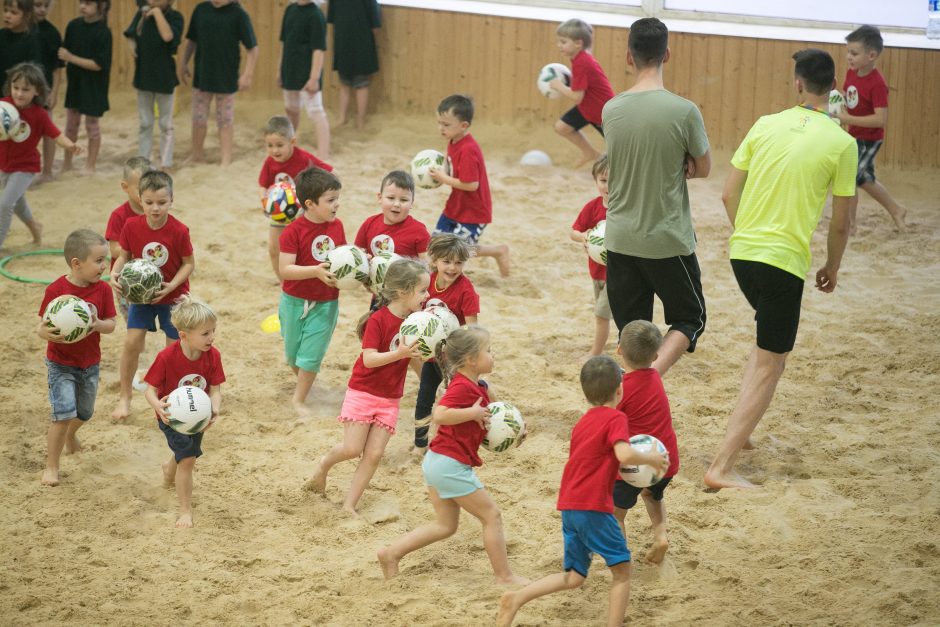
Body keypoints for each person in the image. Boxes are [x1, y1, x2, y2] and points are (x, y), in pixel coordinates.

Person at [704, 49, 856, 490]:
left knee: (769, 350)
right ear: (833, 88)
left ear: (796, 84)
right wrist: (832, 265)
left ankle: (743, 431)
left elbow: (727, 196)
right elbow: (843, 222)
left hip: (742, 255)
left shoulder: (765, 124)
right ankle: (721, 467)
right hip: (783, 263)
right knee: (772, 360)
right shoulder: (843, 143)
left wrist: (748, 235)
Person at [496, 355, 668, 627]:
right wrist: (650, 459)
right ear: (620, 389)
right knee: (622, 571)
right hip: (593, 508)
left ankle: (516, 599)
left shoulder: (583, 423)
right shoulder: (616, 418)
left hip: (569, 506)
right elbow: (623, 454)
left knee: (574, 577)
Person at [378, 325, 528, 585]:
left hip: (438, 462)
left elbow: (494, 421)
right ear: (471, 359)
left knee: (445, 526)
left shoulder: (479, 386)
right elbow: (440, 414)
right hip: (449, 464)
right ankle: (504, 577)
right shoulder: (462, 388)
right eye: (489, 351)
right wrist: (471, 414)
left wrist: (515, 433)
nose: (493, 355)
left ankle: (390, 553)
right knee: (491, 516)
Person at [602, 17, 711, 376]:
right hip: (666, 239)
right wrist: (684, 163)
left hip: (619, 237)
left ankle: (633, 382)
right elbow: (704, 167)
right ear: (667, 54)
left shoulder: (611, 109)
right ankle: (647, 380)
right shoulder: (684, 111)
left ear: (629, 57)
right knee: (689, 317)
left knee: (632, 332)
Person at [305, 259, 428, 514]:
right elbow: (369, 359)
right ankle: (323, 466)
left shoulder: (415, 322)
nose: (427, 296)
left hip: (390, 397)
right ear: (403, 291)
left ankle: (349, 505)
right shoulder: (379, 320)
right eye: (423, 291)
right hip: (363, 391)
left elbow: (413, 358)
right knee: (352, 449)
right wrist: (400, 354)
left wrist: (430, 380)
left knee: (373, 455)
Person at [110, 170, 195, 421]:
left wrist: (171, 287)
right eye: (149, 203)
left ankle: (169, 400)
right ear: (140, 199)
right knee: (131, 343)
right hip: (141, 298)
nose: (155, 208)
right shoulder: (131, 226)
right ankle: (125, 397)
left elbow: (189, 264)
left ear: (172, 200)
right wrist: (114, 273)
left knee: (174, 351)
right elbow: (124, 255)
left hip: (173, 297)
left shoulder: (179, 230)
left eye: (161, 202)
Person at [36, 229, 116, 486]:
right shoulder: (57, 290)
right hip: (60, 363)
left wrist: (97, 324)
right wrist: (43, 331)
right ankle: (52, 467)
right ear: (77, 264)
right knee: (63, 414)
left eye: (105, 260)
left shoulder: (102, 290)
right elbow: (41, 325)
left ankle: (71, 436)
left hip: (89, 364)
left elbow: (112, 324)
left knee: (84, 412)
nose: (104, 266)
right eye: (99, 261)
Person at [144, 295, 224, 528]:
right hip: (171, 417)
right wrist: (157, 405)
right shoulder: (167, 357)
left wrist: (215, 407)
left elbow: (216, 389)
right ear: (183, 336)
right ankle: (185, 511)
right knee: (188, 459)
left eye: (213, 331)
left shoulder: (213, 355)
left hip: (199, 416)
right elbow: (150, 390)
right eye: (205, 333)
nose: (212, 337)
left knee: (185, 454)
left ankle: (169, 469)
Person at [277, 166, 344, 419]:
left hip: (326, 303)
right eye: (330, 200)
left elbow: (343, 259)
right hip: (293, 301)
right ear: (310, 203)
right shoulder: (293, 232)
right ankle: (307, 384)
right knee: (293, 355)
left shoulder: (337, 227)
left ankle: (299, 398)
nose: (337, 204)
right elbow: (285, 269)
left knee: (310, 356)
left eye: (337, 198)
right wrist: (315, 271)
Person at [612, 320, 679, 565]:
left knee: (616, 515)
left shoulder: (621, 389)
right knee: (653, 496)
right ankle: (661, 536)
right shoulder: (655, 378)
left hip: (637, 465)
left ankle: (621, 558)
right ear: (656, 355)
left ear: (619, 349)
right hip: (666, 460)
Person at [1, 62, 82, 252]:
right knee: (18, 203)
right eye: (16, 88)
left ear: (37, 91)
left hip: (25, 168)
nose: (19, 93)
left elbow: (55, 134)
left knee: (4, 204)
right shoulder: (4, 106)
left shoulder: (40, 114)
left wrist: (70, 145)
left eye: (25, 89)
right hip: (3, 164)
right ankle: (35, 228)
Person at [430, 94, 510, 277]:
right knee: (437, 244)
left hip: (474, 210)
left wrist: (443, 178)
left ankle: (497, 251)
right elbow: (450, 166)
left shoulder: (468, 149)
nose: (441, 128)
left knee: (460, 250)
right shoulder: (453, 140)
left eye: (446, 124)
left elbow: (471, 185)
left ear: (464, 125)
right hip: (456, 204)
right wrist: (439, 172)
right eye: (439, 123)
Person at [837, 25, 906, 233]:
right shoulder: (852, 73)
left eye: (854, 53)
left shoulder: (877, 84)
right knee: (864, 178)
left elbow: (880, 120)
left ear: (872, 55)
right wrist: (838, 108)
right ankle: (893, 210)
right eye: (848, 52)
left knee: (853, 176)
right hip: (854, 135)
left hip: (870, 138)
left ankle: (854, 222)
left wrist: (846, 117)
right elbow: (847, 98)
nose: (849, 57)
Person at [413, 233, 479, 452]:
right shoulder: (425, 281)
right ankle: (420, 444)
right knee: (425, 396)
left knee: (458, 399)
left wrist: (463, 357)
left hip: (455, 357)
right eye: (446, 261)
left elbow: (472, 329)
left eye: (458, 263)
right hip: (432, 354)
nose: (452, 268)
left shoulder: (466, 291)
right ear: (434, 260)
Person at [177, 0, 258, 166]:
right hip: (202, 76)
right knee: (198, 118)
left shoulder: (239, 14)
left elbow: (253, 48)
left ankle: (226, 159)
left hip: (226, 77)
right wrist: (183, 62)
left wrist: (247, 74)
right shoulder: (201, 10)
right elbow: (191, 40)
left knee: (225, 120)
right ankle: (197, 155)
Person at [258, 115, 333, 280]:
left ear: (292, 142)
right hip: (279, 213)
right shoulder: (270, 162)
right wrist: (265, 201)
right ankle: (283, 281)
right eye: (269, 145)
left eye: (279, 145)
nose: (274, 150)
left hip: (302, 214)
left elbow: (327, 172)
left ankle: (306, 277)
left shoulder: (304, 158)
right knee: (274, 247)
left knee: (302, 249)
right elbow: (263, 185)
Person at [123, 0, 184, 171]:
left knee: (166, 124)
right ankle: (143, 161)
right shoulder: (141, 14)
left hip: (165, 78)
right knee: (145, 123)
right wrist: (132, 46)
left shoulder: (175, 17)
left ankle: (166, 162)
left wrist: (157, 13)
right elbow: (130, 33)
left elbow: (168, 36)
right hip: (144, 76)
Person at [550, 18, 614, 167]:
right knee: (562, 127)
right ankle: (590, 153)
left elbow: (576, 97)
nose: (559, 45)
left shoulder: (582, 62)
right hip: (588, 108)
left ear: (578, 43)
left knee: (622, 152)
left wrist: (558, 86)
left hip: (603, 113)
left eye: (563, 42)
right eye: (559, 41)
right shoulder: (580, 58)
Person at [58, 0, 111, 174]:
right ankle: (67, 163)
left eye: (88, 3)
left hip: (94, 86)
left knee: (92, 125)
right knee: (71, 125)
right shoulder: (73, 26)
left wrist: (71, 58)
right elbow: (63, 54)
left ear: (100, 6)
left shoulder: (103, 32)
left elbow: (98, 65)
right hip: (76, 84)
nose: (82, 6)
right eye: (81, 2)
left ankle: (90, 165)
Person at [570, 154, 613, 357]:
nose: (607, 186)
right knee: (605, 313)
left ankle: (595, 353)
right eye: (603, 181)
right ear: (596, 181)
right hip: (597, 272)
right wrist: (584, 237)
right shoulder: (593, 206)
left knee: (601, 315)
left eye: (614, 181)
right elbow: (574, 231)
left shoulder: (625, 208)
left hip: (619, 273)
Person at [104, 156, 154, 318]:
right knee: (135, 322)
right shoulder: (119, 216)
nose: (146, 193)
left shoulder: (156, 213)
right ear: (125, 187)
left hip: (154, 276)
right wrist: (139, 249)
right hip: (127, 282)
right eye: (140, 188)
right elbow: (114, 250)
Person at [279, 0, 330, 158]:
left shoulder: (316, 15)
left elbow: (318, 50)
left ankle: (323, 153)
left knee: (316, 112)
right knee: (291, 109)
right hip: (290, 69)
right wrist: (279, 69)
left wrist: (314, 78)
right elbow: (284, 43)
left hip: (307, 73)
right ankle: (289, 146)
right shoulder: (290, 10)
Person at [354, 170, 430, 260]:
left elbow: (428, 266)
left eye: (404, 200)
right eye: (391, 198)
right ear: (380, 197)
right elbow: (357, 254)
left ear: (412, 203)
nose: (397, 204)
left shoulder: (419, 231)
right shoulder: (369, 224)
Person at [327, 0, 379, 130]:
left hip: (361, 40)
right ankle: (343, 117)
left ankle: (360, 120)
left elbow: (375, 24)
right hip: (343, 40)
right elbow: (332, 19)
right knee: (345, 83)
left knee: (361, 83)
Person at [32, 0, 65, 182]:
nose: (42, 9)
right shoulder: (22, 29)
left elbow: (57, 68)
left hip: (44, 90)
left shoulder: (52, 33)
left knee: (48, 131)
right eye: (38, 5)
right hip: (21, 90)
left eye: (46, 5)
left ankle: (47, 171)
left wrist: (54, 92)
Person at [0, 0, 42, 94]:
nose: (7, 15)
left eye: (13, 12)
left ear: (27, 15)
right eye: (5, 10)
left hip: (20, 95)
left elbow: (34, 74)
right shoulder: (1, 35)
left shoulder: (33, 41)